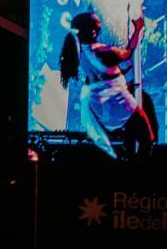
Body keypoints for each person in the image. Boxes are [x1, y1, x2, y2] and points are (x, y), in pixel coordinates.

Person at [64, 9, 155, 157]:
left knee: (129, 138)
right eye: (98, 23)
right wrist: (138, 28)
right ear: (93, 31)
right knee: (146, 137)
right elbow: (128, 52)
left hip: (99, 102)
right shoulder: (101, 52)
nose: (101, 25)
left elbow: (103, 74)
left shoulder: (80, 52)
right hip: (117, 100)